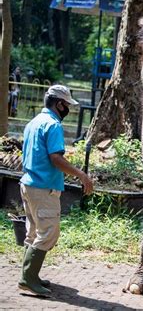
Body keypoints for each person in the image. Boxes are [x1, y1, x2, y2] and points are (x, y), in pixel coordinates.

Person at [18, 85, 94, 296]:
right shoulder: (53, 125)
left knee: (34, 232)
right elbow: (56, 158)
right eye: (67, 105)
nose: (68, 109)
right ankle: (27, 278)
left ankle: (31, 276)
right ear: (59, 104)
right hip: (44, 188)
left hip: (28, 184)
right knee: (49, 232)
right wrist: (82, 175)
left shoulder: (33, 122)